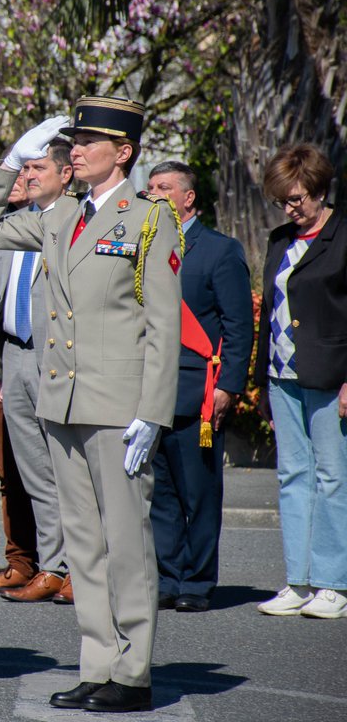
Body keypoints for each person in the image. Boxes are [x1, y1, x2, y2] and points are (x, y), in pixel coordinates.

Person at [0, 97, 182, 713]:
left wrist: (153, 411)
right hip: (61, 400)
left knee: (126, 542)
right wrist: (10, 161)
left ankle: (133, 671)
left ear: (124, 153)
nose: (76, 149)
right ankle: (98, 663)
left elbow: (161, 322)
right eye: (74, 140)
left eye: (90, 141)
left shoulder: (148, 219)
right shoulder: (60, 216)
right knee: (83, 544)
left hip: (118, 406)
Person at [146, 161, 253, 613]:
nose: (153, 194)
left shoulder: (218, 250)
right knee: (161, 494)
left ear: (188, 197)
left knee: (199, 493)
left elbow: (238, 324)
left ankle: (197, 580)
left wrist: (229, 385)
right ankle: (168, 576)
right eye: (149, 187)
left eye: (163, 187)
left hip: (197, 388)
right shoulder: (143, 244)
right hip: (150, 388)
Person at [254, 144, 347, 619]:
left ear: (320, 190)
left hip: (332, 376)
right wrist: (259, 378)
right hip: (280, 374)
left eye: (297, 199)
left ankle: (333, 582)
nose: (290, 208)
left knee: (333, 477)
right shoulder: (278, 240)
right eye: (283, 200)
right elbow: (271, 310)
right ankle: (298, 581)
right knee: (294, 477)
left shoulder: (343, 236)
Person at [0, 140, 76, 604]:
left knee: (71, 471)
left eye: (39, 166)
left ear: (66, 174)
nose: (29, 174)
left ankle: (79, 568)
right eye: (25, 167)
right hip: (15, 356)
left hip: (57, 359)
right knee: (36, 472)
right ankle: (53, 566)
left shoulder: (76, 220)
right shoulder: (16, 224)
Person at [0, 165, 42, 597]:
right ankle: (20, 561)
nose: (20, 178)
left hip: (45, 359)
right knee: (10, 473)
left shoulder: (60, 222)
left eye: (30, 170)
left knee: (53, 472)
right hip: (3, 362)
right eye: (16, 170)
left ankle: (62, 566)